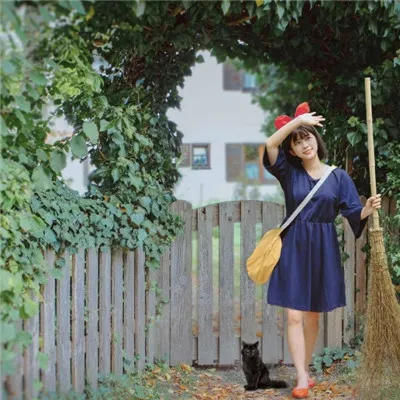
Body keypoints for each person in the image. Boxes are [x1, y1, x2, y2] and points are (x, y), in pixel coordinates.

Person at [263, 102, 382, 399]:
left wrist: (367, 209)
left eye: (308, 138)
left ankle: (305, 369)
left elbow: (353, 213)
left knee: (312, 316)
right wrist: (298, 122)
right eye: (297, 142)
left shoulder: (337, 177)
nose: (305, 144)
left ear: (317, 140)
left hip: (322, 247)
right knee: (293, 315)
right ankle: (302, 376)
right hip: (293, 245)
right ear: (292, 150)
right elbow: (270, 144)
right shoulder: (289, 173)